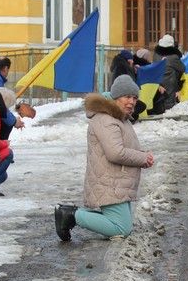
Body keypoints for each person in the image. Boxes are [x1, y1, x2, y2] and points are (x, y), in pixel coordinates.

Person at [54, 75, 154, 242]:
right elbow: (115, 152)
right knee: (122, 228)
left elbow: (125, 146)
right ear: (116, 97)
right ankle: (71, 216)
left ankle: (68, 213)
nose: (132, 101)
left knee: (121, 223)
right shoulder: (106, 119)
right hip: (110, 181)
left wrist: (143, 155)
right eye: (127, 97)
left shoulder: (118, 117)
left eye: (135, 97)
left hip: (115, 180)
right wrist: (142, 158)